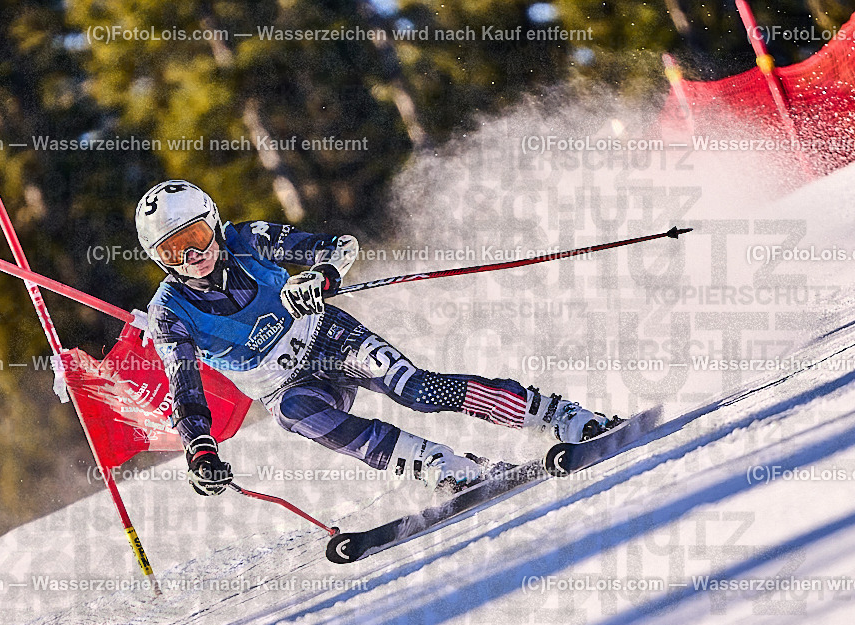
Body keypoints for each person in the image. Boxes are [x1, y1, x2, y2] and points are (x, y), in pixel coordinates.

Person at [138, 180, 620, 497]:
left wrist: (322, 275)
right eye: (173, 251)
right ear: (158, 258)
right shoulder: (168, 311)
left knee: (416, 389)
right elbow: (185, 386)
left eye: (196, 237)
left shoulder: (248, 240)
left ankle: (557, 415)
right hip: (283, 388)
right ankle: (440, 466)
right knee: (299, 414)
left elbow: (336, 246)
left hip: (328, 338)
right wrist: (200, 449)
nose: (191, 256)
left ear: (214, 223)